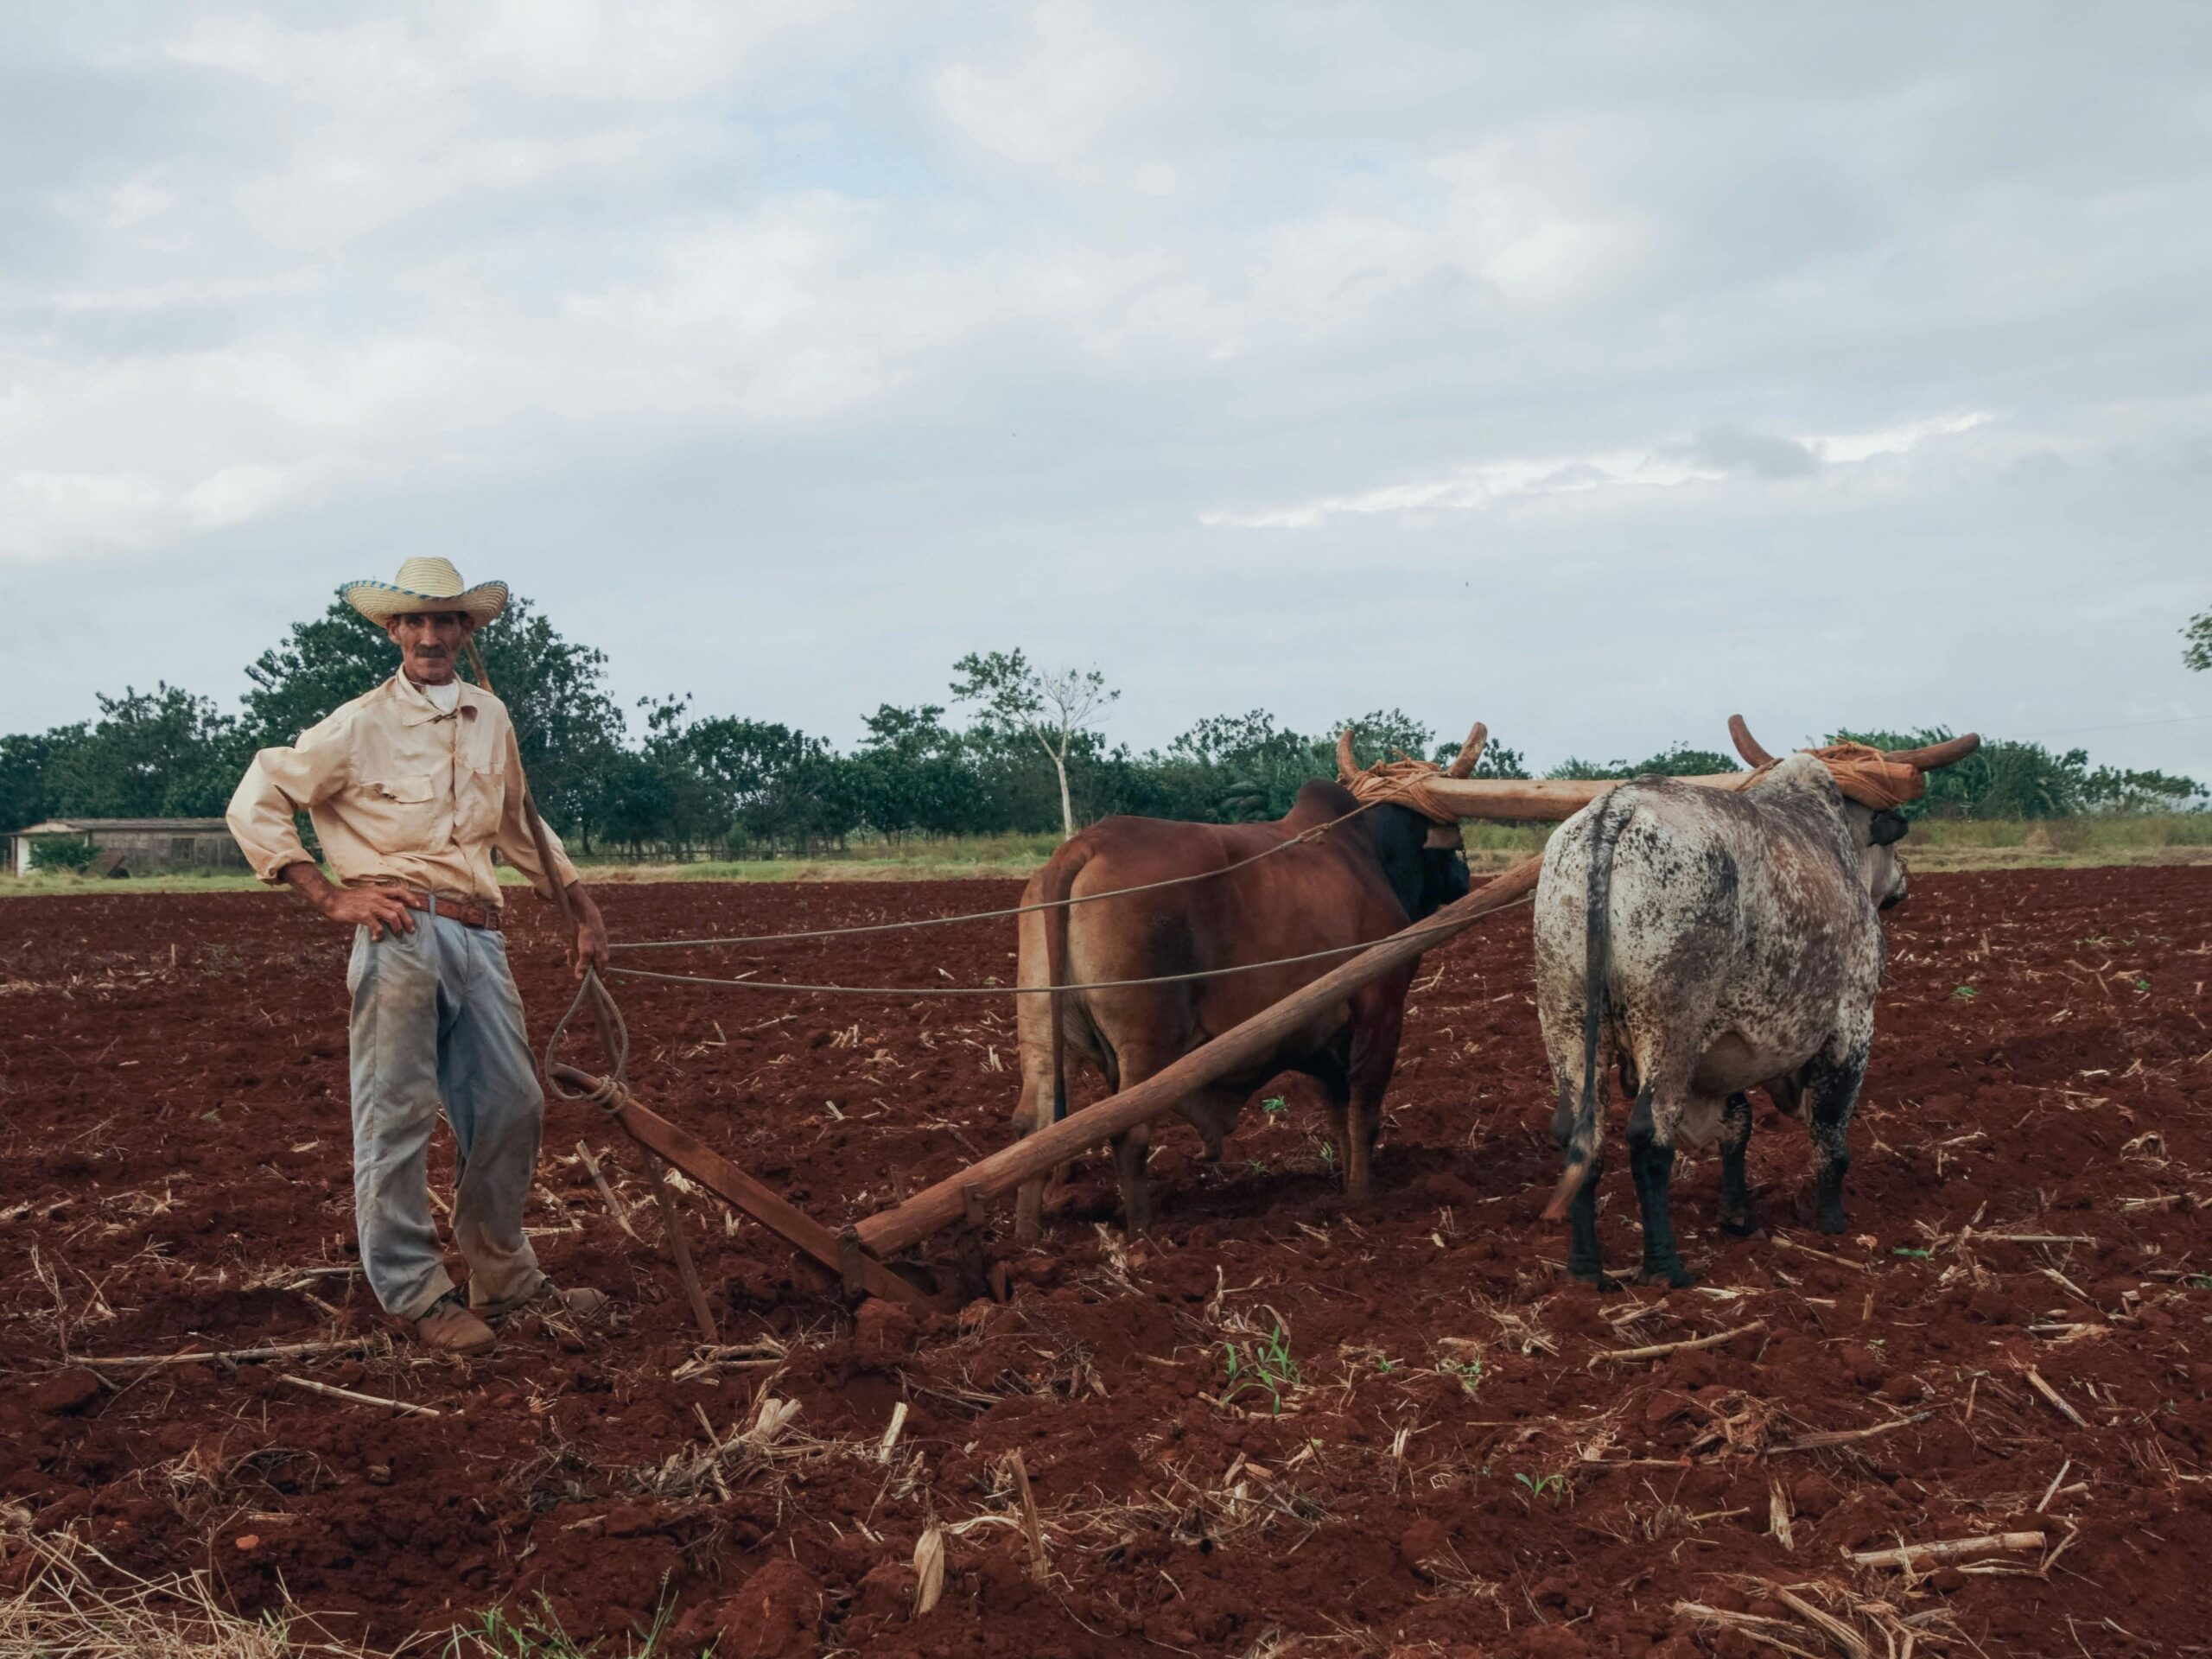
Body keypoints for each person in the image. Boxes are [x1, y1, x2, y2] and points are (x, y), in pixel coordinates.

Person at [227, 557, 614, 1353]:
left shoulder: (490, 717)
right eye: (417, 622)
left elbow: (518, 825)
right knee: (396, 1117)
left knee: (513, 1105)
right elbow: (259, 796)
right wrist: (330, 895)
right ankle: (412, 1292)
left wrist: (578, 906)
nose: (432, 636)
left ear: (467, 631)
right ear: (394, 632)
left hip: (480, 934)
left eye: (448, 621)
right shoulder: (358, 723)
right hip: (399, 933)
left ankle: (502, 1276)